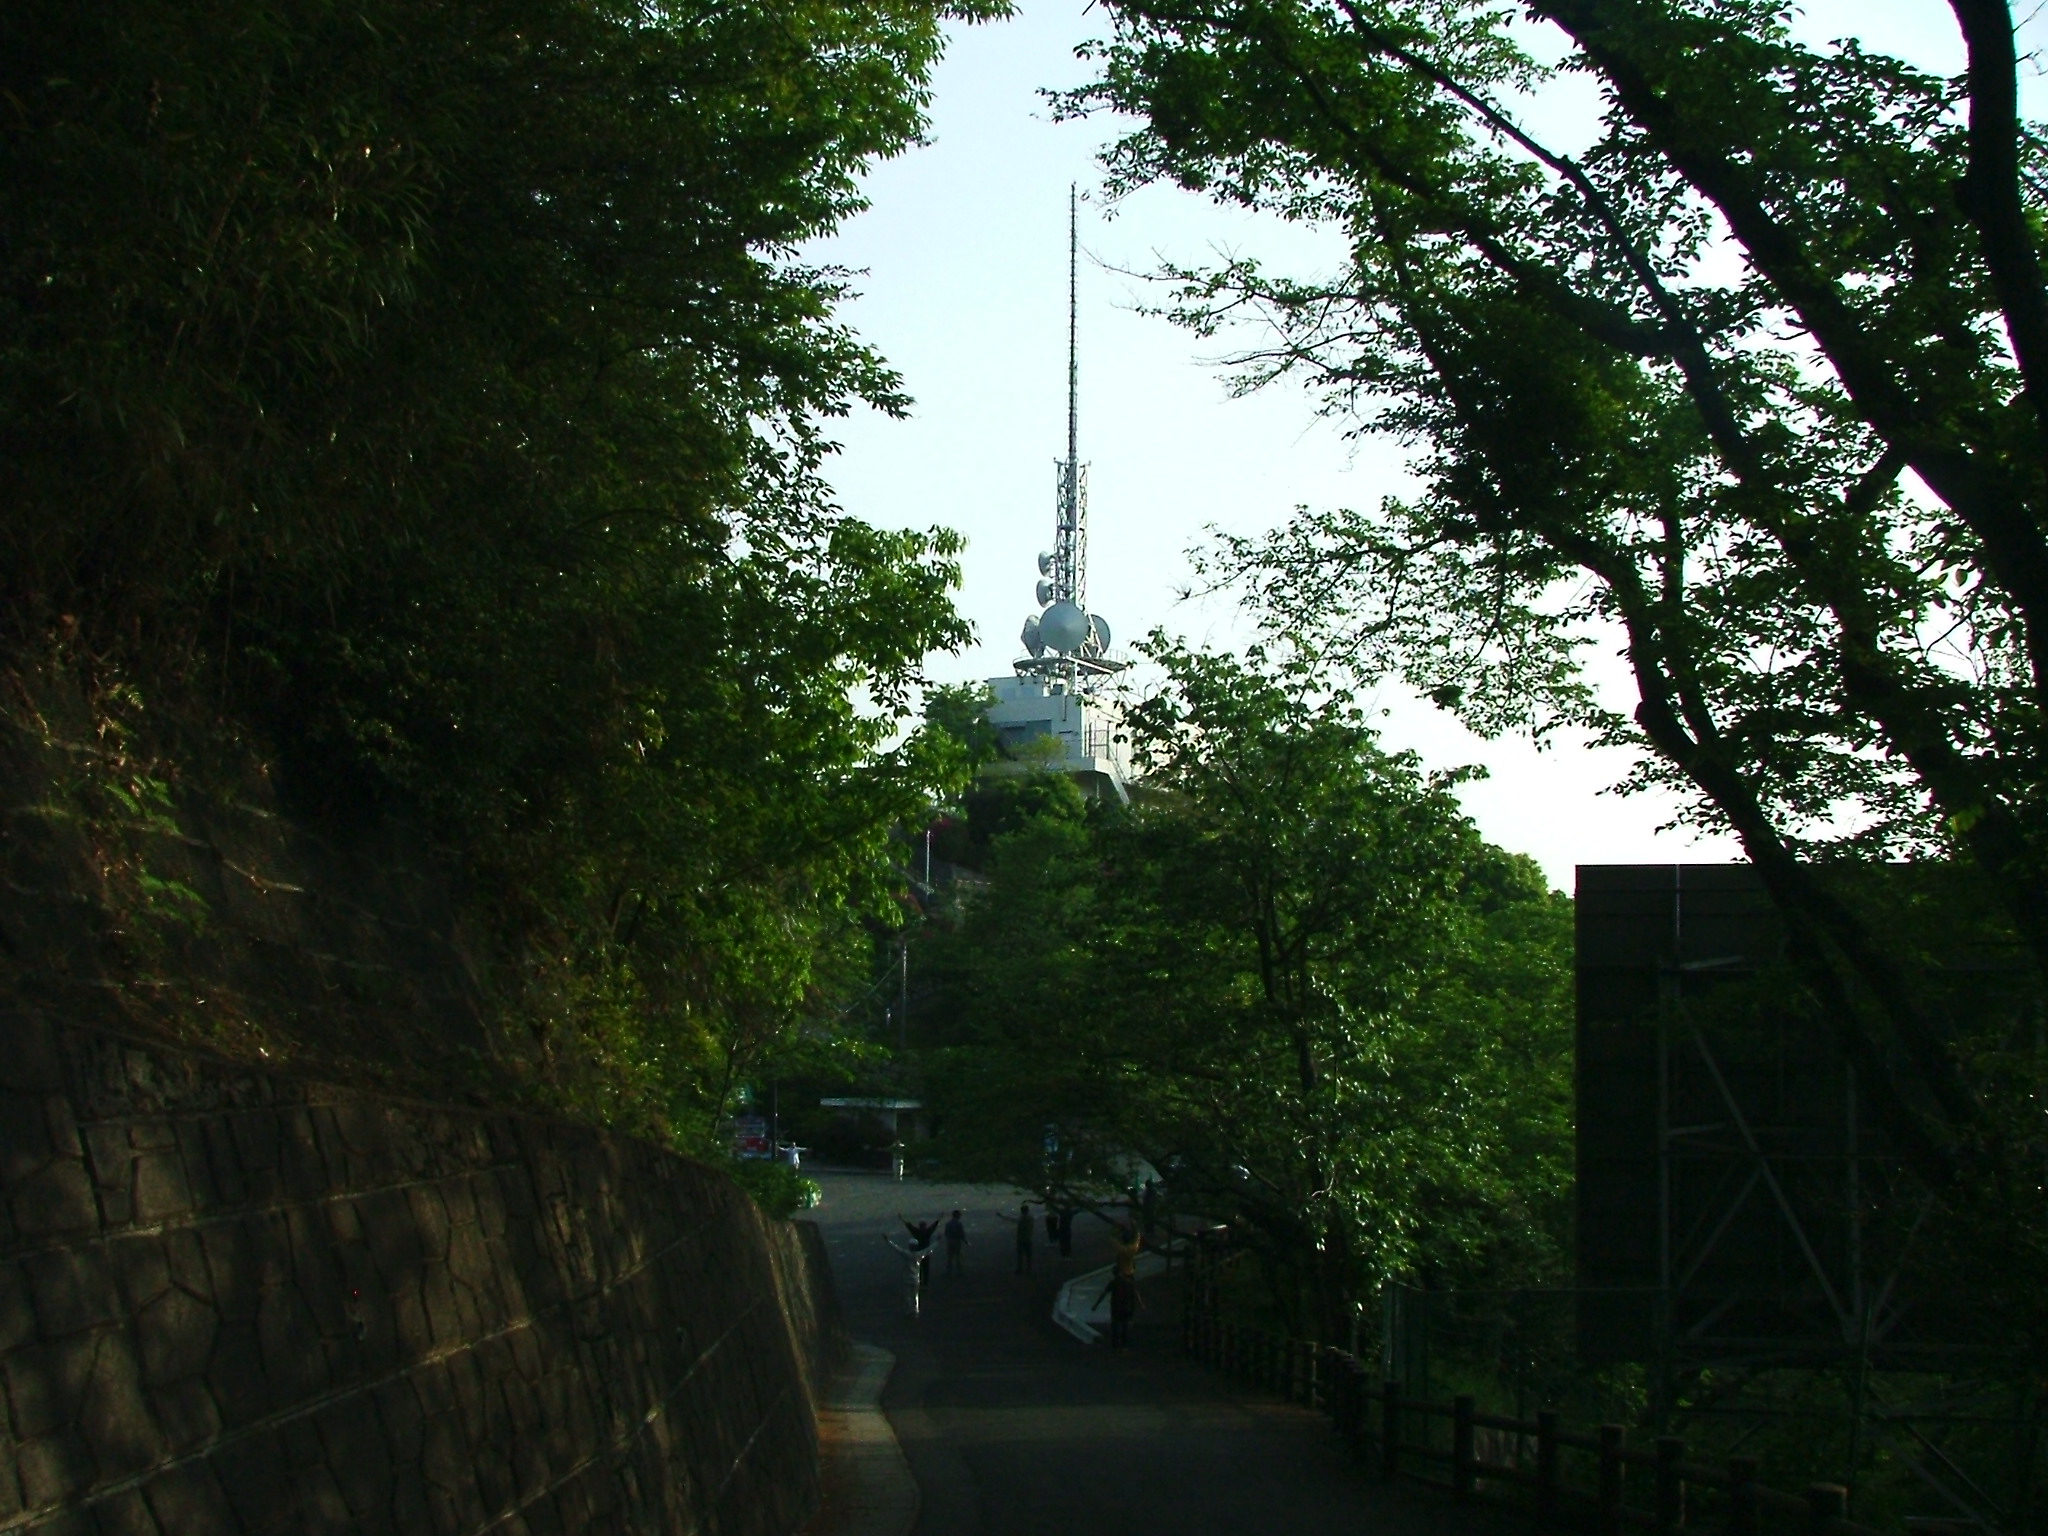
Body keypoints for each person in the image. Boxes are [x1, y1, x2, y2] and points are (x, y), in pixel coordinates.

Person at [900, 1212, 941, 1286]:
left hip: (917, 1252)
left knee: (918, 1267)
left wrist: (901, 1218)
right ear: (925, 1225)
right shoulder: (927, 1232)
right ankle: (925, 1283)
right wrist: (940, 1217)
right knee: (926, 1268)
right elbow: (934, 1226)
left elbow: (909, 1226)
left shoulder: (916, 1232)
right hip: (926, 1252)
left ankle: (919, 1281)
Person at [995, 1203, 1034, 1274]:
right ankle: (1029, 1269)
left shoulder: (1021, 1219)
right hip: (1028, 1238)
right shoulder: (1031, 1218)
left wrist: (1001, 1216)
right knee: (1028, 1255)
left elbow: (1011, 1219)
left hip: (1021, 1238)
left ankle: (1020, 1269)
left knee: (1020, 1255)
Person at [943, 1209, 967, 1275]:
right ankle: (959, 1271)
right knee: (958, 1256)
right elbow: (962, 1234)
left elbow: (946, 1233)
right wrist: (965, 1241)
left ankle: (948, 1271)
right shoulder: (959, 1224)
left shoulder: (948, 1224)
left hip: (950, 1241)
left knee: (950, 1257)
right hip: (957, 1241)